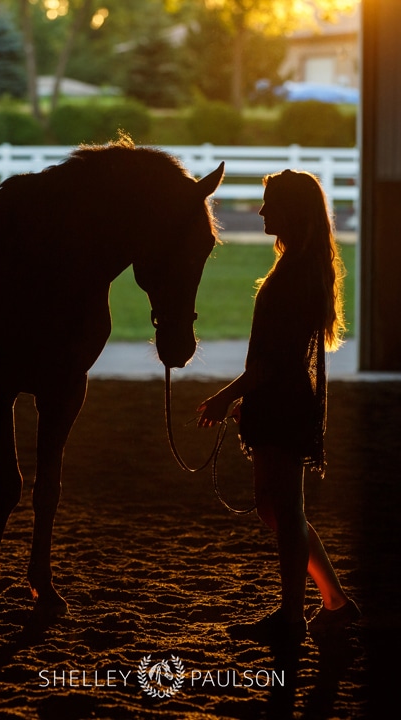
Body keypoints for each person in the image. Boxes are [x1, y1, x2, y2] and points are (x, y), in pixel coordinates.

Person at [197, 169, 360, 643]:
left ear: (292, 210)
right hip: (279, 401)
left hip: (282, 402)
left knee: (285, 511)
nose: (263, 212)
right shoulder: (297, 266)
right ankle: (334, 602)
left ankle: (292, 615)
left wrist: (228, 395)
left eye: (270, 204)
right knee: (276, 509)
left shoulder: (295, 275)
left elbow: (273, 362)